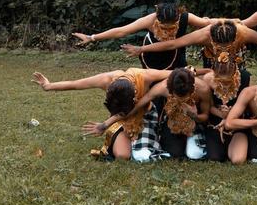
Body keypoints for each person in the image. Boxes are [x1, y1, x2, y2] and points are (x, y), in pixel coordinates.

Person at [122, 19, 257, 106]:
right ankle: (208, 115)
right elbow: (173, 44)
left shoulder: (243, 33)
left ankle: (240, 113)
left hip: (236, 69)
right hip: (211, 69)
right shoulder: (204, 35)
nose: (222, 50)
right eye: (219, 46)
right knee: (208, 89)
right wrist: (142, 48)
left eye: (227, 46)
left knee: (243, 85)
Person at [32, 66, 171, 161]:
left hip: (144, 116)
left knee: (143, 156)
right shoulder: (106, 80)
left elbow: (175, 73)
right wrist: (48, 86)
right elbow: (76, 84)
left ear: (135, 94)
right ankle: (132, 141)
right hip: (118, 120)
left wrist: (189, 71)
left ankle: (146, 140)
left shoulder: (145, 76)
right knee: (122, 155)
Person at [72, 0, 212, 71]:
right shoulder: (148, 20)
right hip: (153, 56)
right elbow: (122, 31)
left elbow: (207, 23)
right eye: (164, 26)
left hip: (176, 53)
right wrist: (92, 37)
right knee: (155, 87)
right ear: (157, 18)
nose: (168, 30)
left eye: (172, 26)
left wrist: (231, 21)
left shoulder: (185, 17)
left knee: (180, 82)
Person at [118, 67, 212, 159]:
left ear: (192, 89)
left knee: (195, 154)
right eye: (177, 97)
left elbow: (206, 116)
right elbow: (141, 103)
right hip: (173, 122)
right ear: (170, 89)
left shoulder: (203, 89)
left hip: (195, 123)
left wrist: (194, 115)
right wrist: (122, 116)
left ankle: (194, 139)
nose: (181, 100)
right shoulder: (163, 87)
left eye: (184, 97)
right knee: (174, 153)